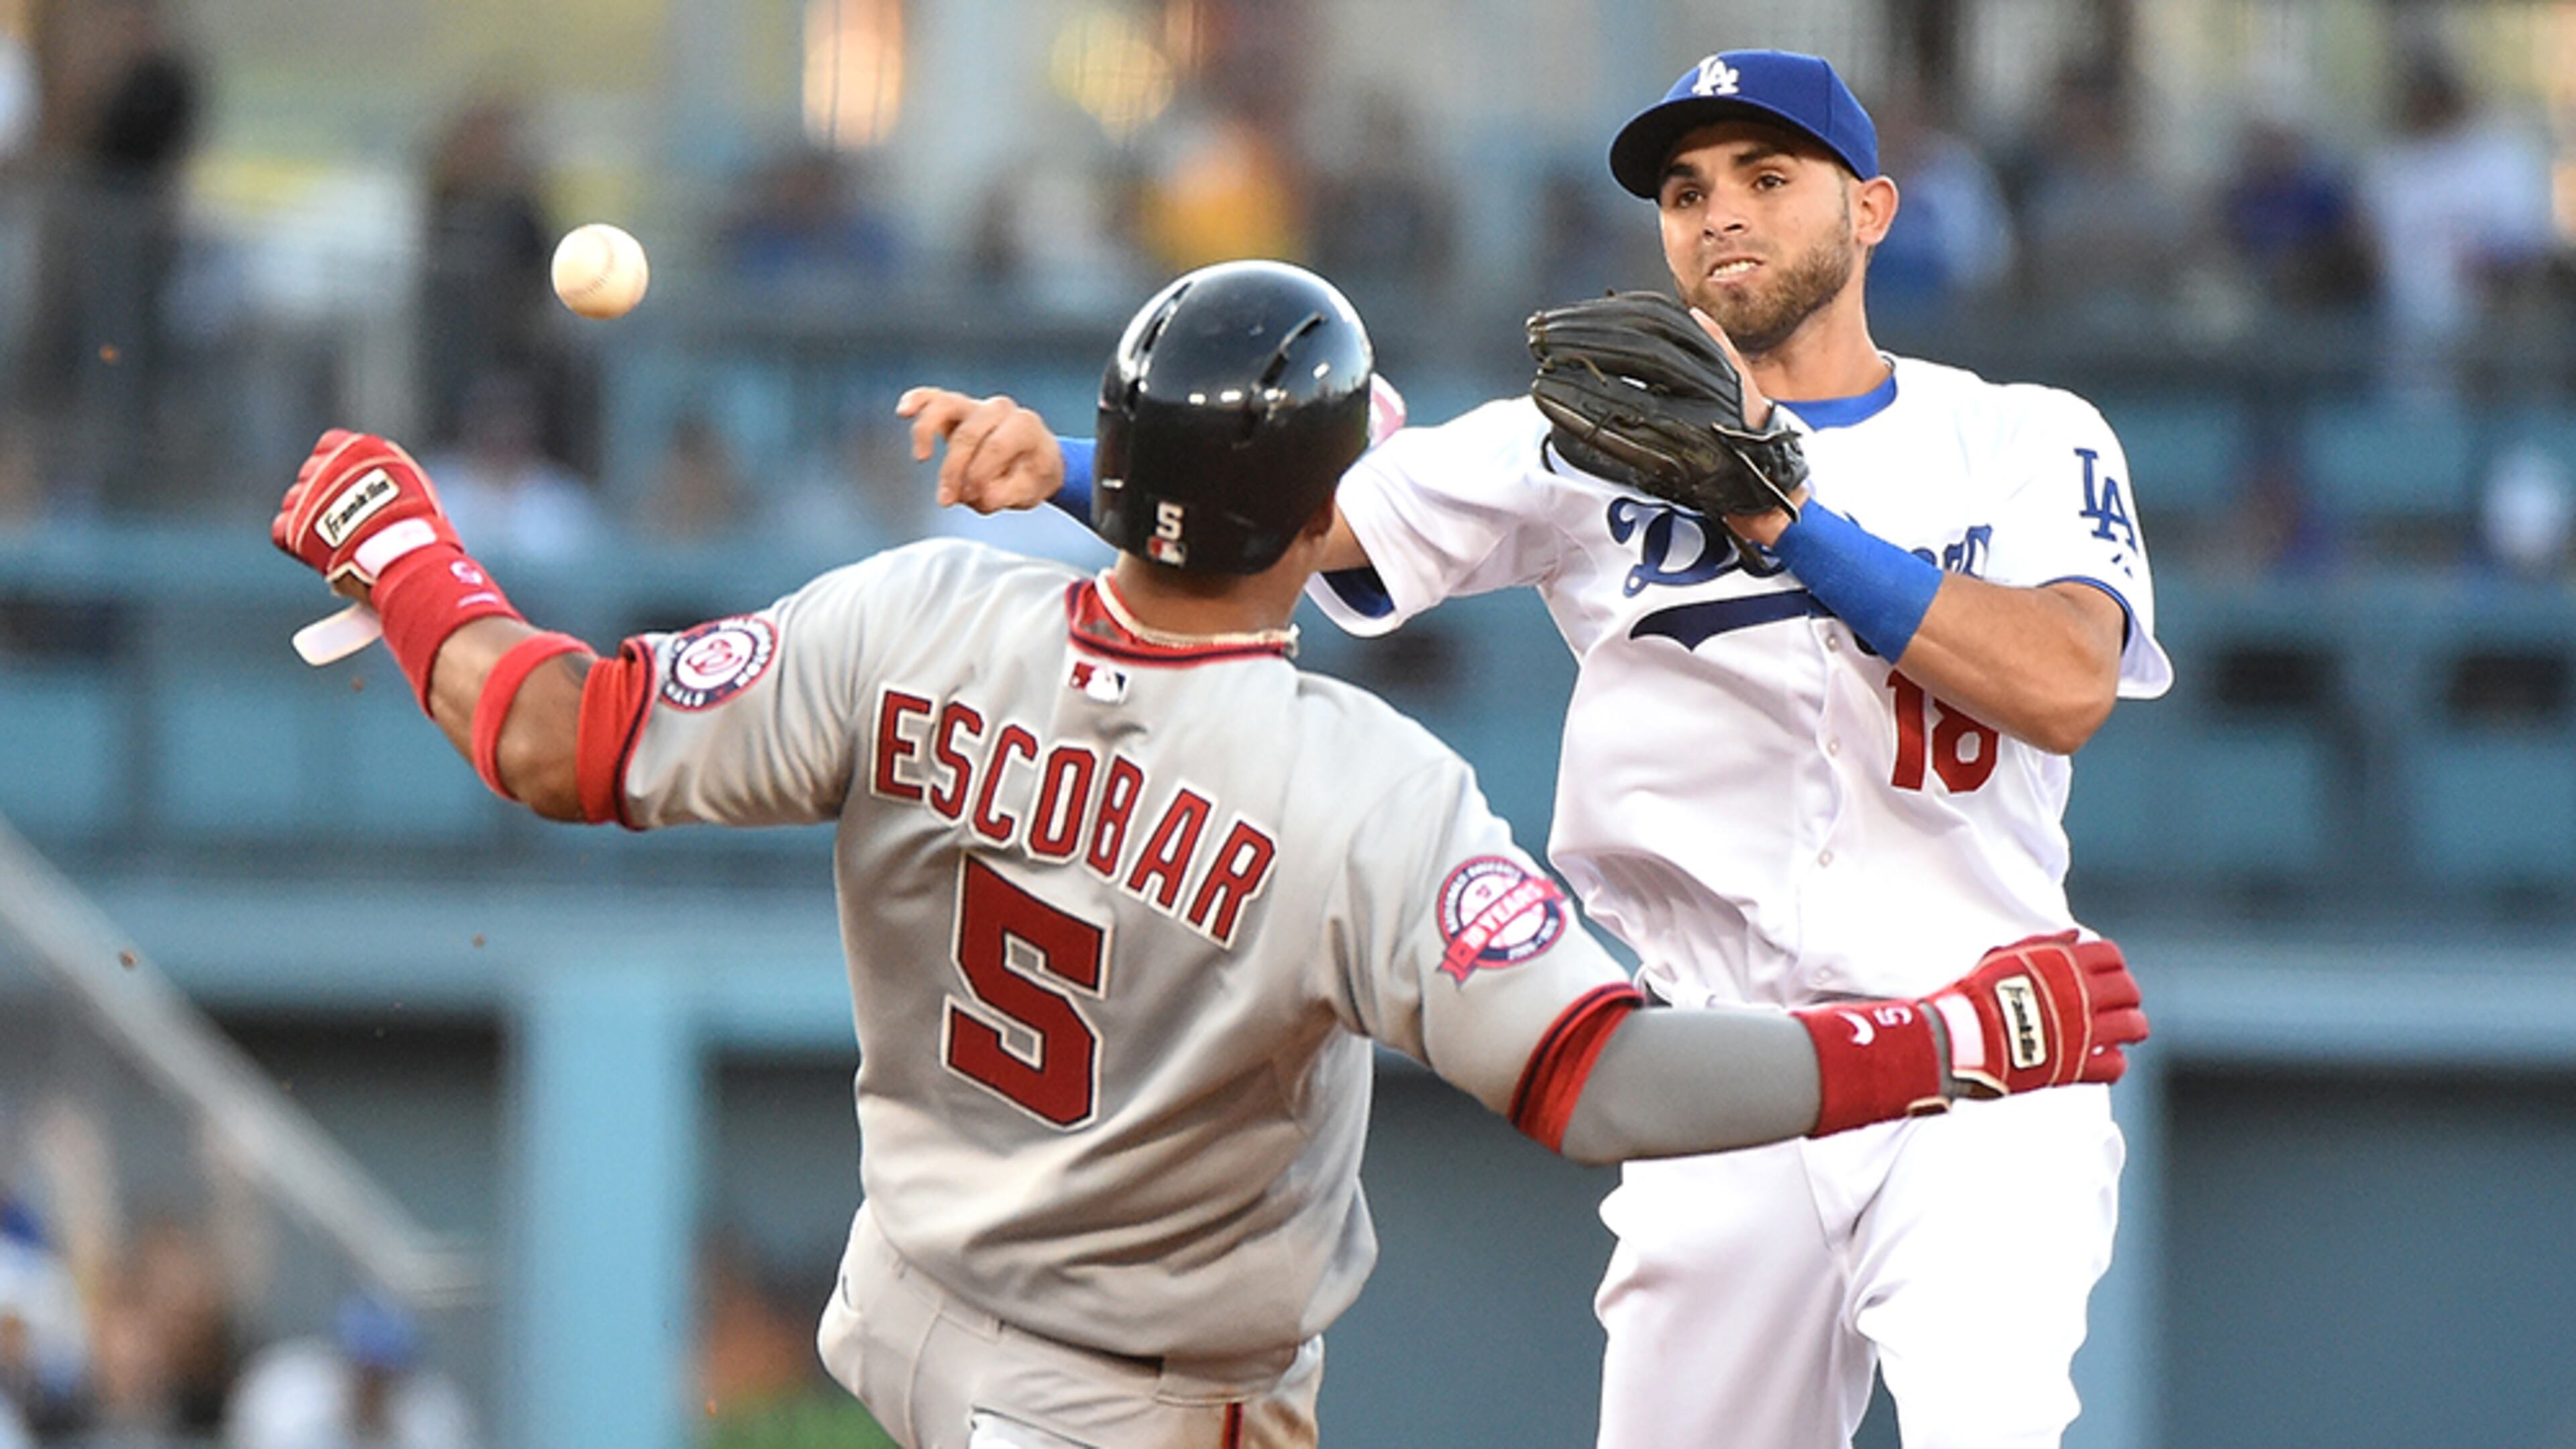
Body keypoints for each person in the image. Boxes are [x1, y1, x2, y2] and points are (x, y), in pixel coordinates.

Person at [269, 259, 2145, 1448]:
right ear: (1330, 512)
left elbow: (551, 734)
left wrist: (410, 559)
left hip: (908, 1312)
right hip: (1126, 1405)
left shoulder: (919, 612)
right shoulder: (1367, 789)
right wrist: (1958, 1044)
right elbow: (1605, 1080)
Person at [919, 50, 2174, 1449]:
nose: (1723, 217)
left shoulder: (2018, 436)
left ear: (1871, 209)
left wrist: (1784, 522)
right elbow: (1299, 522)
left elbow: (2065, 684)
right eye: (1689, 192)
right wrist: (1080, 477)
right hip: (1732, 1063)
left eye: (1770, 179)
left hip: (1987, 1044)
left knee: (1987, 1420)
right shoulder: (1584, 441)